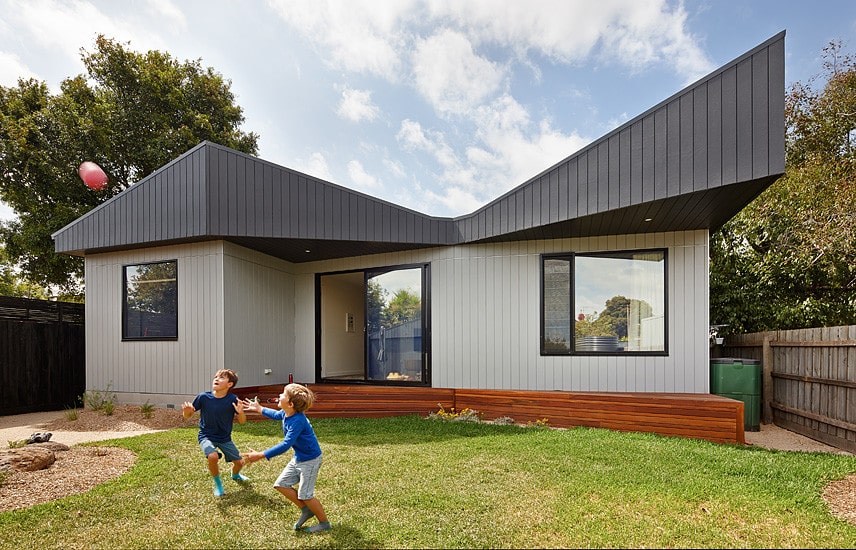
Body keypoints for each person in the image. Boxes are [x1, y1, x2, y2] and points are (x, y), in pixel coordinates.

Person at [242, 383, 331, 533]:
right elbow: (275, 415)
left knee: (306, 495)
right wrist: (258, 408)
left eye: (283, 394)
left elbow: (286, 444)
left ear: (290, 404)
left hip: (310, 460)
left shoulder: (297, 421)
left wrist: (260, 455)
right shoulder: (286, 413)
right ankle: (306, 510)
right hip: (299, 458)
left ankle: (324, 523)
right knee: (281, 484)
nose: (280, 395)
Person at [182, 369, 248, 497]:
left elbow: (242, 421)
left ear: (230, 384)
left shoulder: (233, 399)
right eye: (216, 377)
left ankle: (235, 475)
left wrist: (241, 412)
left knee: (239, 463)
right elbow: (188, 416)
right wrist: (187, 411)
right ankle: (218, 484)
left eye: (222, 378)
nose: (216, 379)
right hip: (206, 436)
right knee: (212, 456)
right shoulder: (204, 397)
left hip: (224, 438)